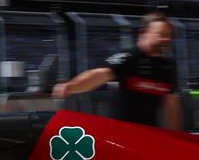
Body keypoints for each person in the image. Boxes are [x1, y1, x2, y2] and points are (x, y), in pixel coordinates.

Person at [52, 11, 183, 130]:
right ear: (144, 33)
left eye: (169, 36)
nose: (166, 40)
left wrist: (176, 135)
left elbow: (171, 105)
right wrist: (72, 86)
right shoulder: (128, 58)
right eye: (161, 34)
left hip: (150, 132)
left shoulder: (167, 67)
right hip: (121, 132)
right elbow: (100, 74)